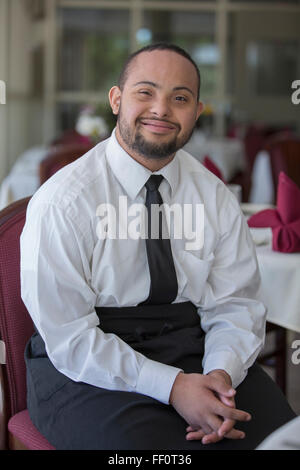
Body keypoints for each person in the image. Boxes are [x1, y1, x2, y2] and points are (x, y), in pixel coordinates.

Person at [20, 43, 296, 450]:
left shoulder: (214, 196)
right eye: (145, 92)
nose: (161, 109)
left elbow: (235, 304)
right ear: (116, 100)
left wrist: (219, 376)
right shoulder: (64, 201)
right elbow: (69, 337)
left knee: (280, 437)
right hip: (87, 363)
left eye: (179, 98)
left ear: (197, 113)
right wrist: (173, 388)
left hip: (192, 345)